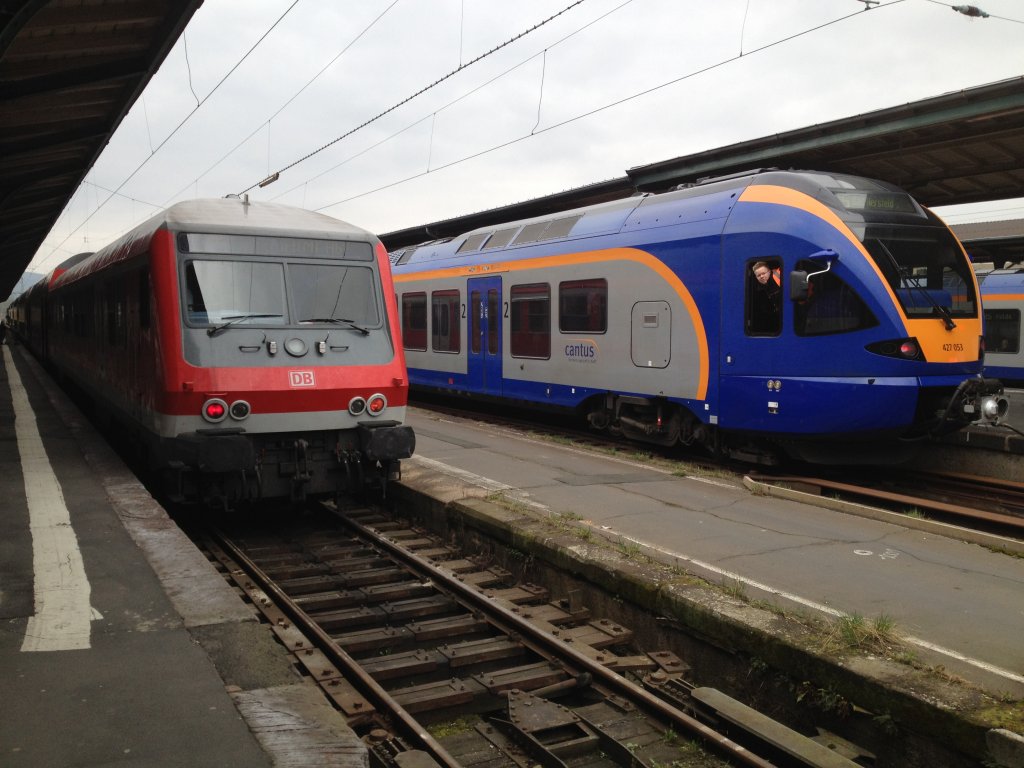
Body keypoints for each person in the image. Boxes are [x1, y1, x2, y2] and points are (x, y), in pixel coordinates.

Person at [750, 261, 781, 333]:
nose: (761, 276)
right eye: (758, 275)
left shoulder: (777, 275)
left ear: (769, 271)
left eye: (763, 273)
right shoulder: (764, 287)